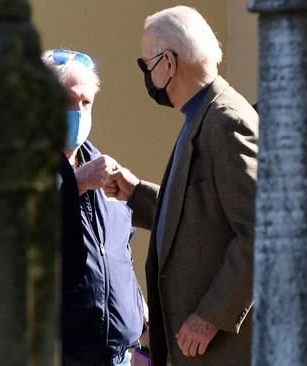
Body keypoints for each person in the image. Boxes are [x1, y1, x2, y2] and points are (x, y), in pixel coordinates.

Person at [104, 6, 258, 366]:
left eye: (147, 64)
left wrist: (210, 316)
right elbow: (202, 213)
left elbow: (261, 232)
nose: (147, 74)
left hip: (221, 352)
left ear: (168, 63)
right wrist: (136, 194)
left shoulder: (225, 122)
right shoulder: (204, 115)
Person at [43, 49, 146, 366]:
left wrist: (142, 320)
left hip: (118, 357)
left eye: (86, 103)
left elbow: (119, 256)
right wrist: (76, 184)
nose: (78, 112)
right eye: (67, 102)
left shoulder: (104, 171)